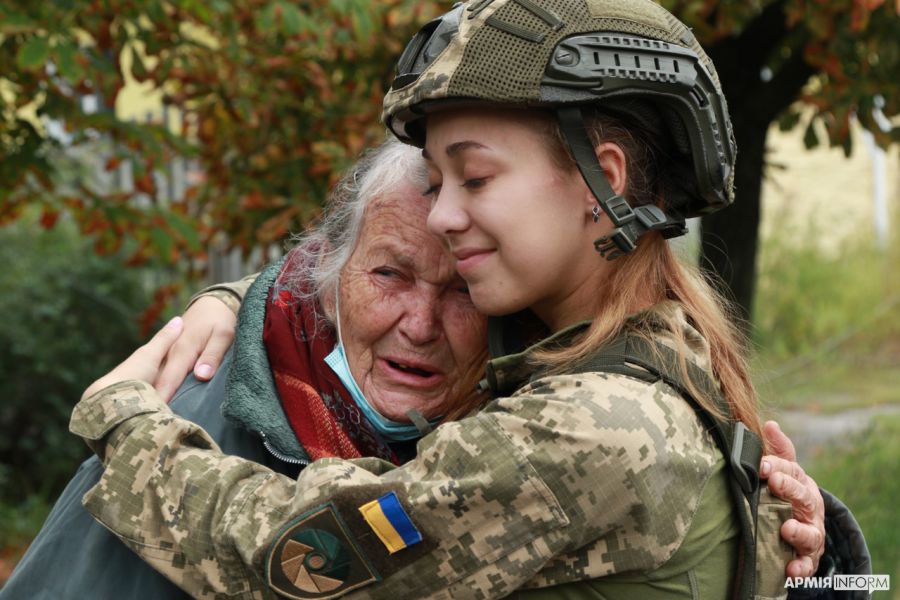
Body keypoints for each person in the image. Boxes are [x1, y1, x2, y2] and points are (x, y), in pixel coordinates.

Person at [62, 1, 846, 598]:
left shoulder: (588, 427)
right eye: (437, 183)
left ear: (602, 180)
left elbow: (300, 557)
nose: (441, 215)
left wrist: (123, 422)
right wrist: (232, 302)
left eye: (474, 178)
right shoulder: (661, 352)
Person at [0, 140, 488, 598]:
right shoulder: (171, 427)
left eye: (463, 290)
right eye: (389, 275)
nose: (421, 326)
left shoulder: (511, 415)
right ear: (328, 278)